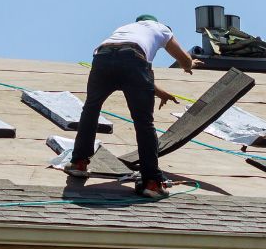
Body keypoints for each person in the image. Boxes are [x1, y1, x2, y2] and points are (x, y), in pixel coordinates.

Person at [64, 15, 202, 199]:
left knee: (91, 109)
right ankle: (151, 182)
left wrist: (158, 92)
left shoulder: (126, 29)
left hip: (103, 56)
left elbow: (130, 70)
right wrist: (189, 64)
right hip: (133, 59)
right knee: (144, 122)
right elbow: (178, 59)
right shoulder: (161, 28)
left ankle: (79, 163)